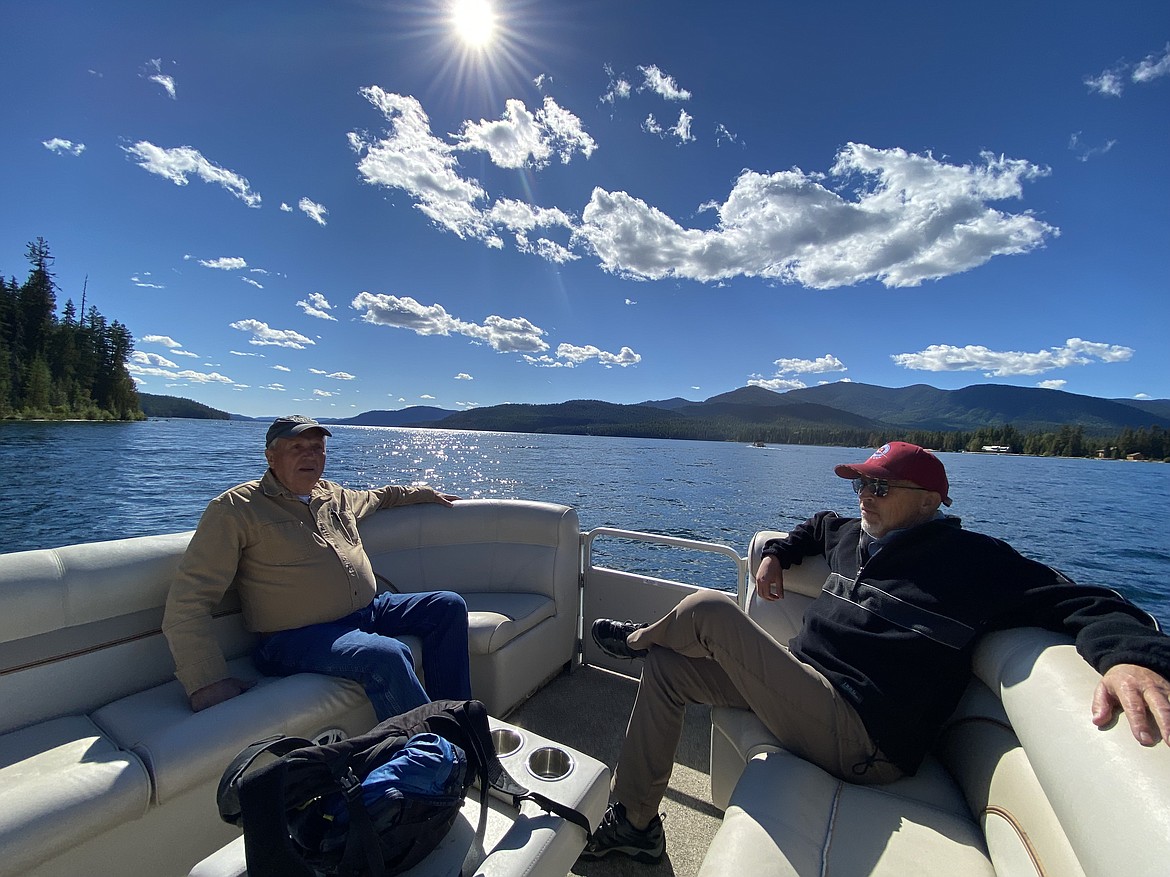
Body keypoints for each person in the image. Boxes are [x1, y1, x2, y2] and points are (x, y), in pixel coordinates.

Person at [582, 441, 1170, 864]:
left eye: (880, 486)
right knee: (669, 669)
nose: (865, 495)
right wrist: (775, 554)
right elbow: (816, 527)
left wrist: (1126, 656)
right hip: (803, 687)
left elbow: (1083, 598)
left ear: (929, 501)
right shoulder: (856, 537)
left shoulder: (971, 563)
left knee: (710, 611)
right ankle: (635, 824)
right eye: (860, 483)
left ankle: (634, 639)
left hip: (863, 736)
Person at [163, 414, 472, 720]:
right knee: (388, 655)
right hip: (292, 639)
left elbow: (379, 497)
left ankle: (458, 717)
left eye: (317, 447)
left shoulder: (333, 495)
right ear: (271, 457)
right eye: (297, 447)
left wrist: (424, 493)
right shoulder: (236, 509)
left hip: (368, 613)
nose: (310, 454)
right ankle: (436, 750)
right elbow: (190, 596)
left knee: (447, 606)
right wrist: (205, 680)